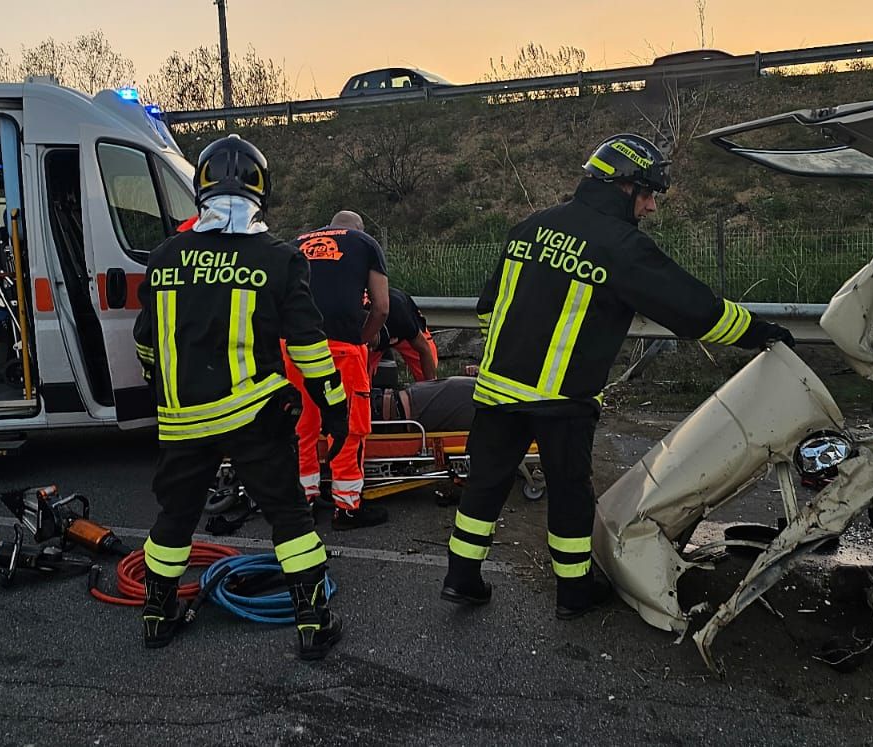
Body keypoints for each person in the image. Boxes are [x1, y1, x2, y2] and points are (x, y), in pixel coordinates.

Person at [440, 134, 795, 619]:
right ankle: (573, 593)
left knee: (484, 485)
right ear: (623, 187)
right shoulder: (622, 246)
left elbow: (488, 306)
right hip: (562, 401)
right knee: (569, 494)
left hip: (498, 389)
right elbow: (694, 310)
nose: (650, 207)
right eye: (648, 194)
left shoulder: (530, 226)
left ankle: (460, 580)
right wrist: (760, 331)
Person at [132, 135, 349, 659]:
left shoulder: (164, 257)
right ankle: (313, 623)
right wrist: (333, 405)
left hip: (182, 418)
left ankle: (157, 617)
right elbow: (309, 346)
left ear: (200, 188)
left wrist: (165, 392)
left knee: (174, 517)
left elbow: (145, 341)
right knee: (288, 515)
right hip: (254, 412)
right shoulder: (279, 258)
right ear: (261, 190)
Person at [282, 211, 390, 529]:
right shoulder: (365, 242)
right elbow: (382, 307)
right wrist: (362, 340)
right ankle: (347, 507)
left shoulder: (295, 243)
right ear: (358, 229)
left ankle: (305, 499)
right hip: (341, 347)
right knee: (347, 425)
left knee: (303, 424)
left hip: (294, 345)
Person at [367, 287, 439, 383]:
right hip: (372, 328)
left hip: (403, 329)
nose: (370, 349)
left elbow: (424, 349)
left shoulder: (402, 319)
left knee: (427, 373)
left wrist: (431, 387)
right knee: (361, 376)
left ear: (392, 339)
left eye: (370, 346)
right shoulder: (356, 315)